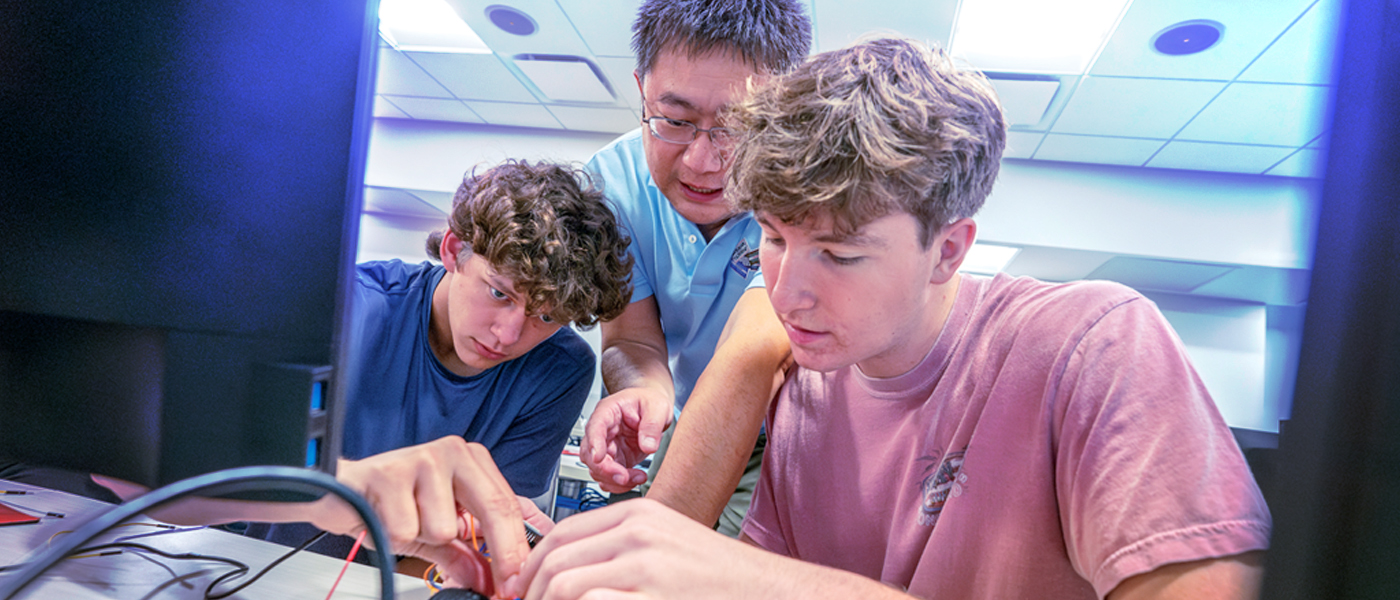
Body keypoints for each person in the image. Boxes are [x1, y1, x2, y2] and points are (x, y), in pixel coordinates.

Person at [517, 37, 1272, 600]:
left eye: (841, 255)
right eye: (775, 239)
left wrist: (765, 583)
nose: (788, 294)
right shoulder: (801, 395)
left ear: (949, 249)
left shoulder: (1093, 346)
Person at [579, 0, 810, 536]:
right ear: (642, 90)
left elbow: (755, 357)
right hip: (695, 415)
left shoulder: (807, 186)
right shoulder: (610, 183)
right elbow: (631, 338)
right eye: (675, 121)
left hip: (795, 420)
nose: (702, 163)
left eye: (737, 127)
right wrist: (646, 394)